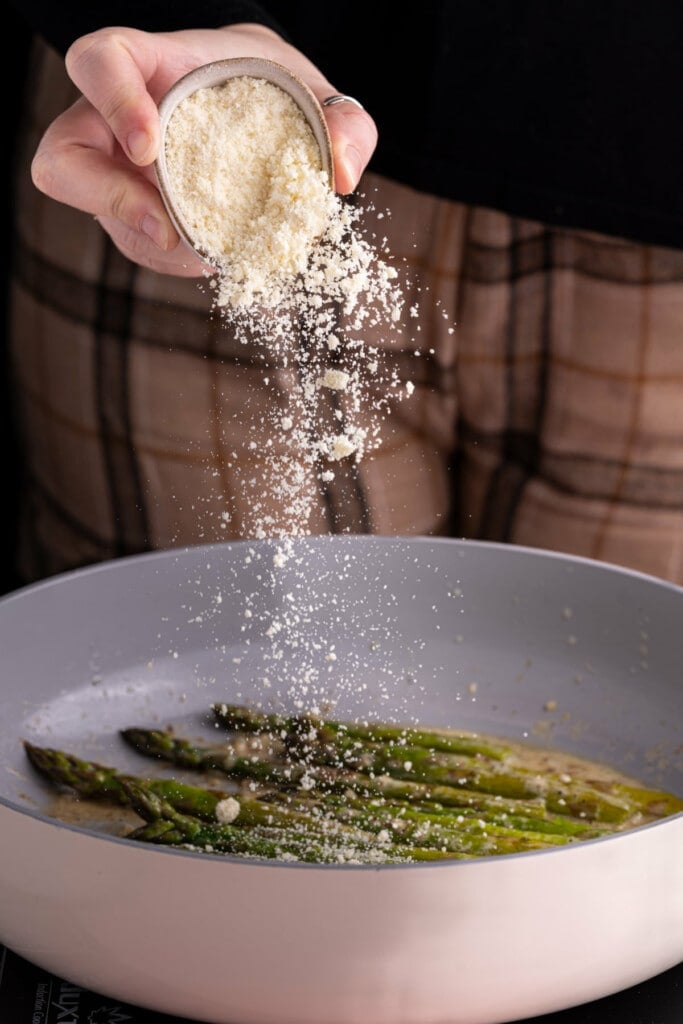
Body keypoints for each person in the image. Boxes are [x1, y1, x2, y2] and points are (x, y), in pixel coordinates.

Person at [7, 2, 683, 585]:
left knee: (617, 694)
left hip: (652, 215)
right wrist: (175, 7)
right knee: (206, 679)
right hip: (185, 129)